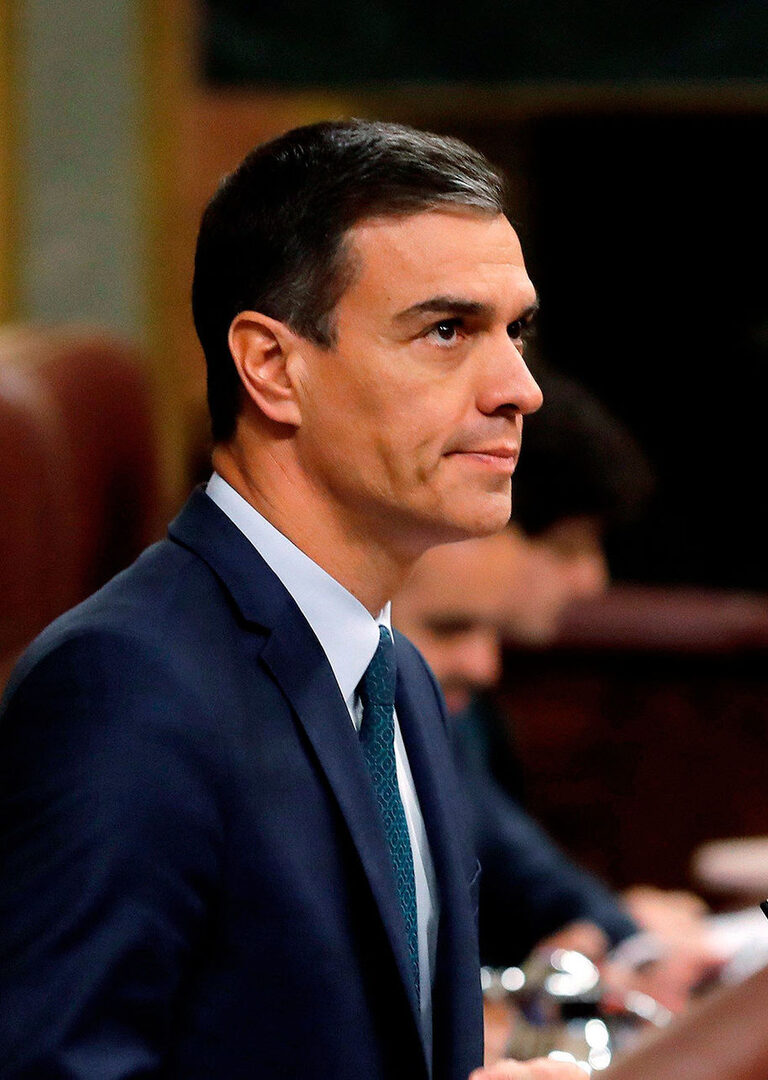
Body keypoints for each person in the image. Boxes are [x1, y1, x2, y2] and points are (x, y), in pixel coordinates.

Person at [0, 120, 582, 1080]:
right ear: (272, 367)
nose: (520, 389)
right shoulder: (125, 686)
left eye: (512, 331)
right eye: (446, 330)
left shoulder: (397, 676)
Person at [391, 371, 720, 1017]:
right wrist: (622, 932)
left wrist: (610, 931)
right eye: (567, 546)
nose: (592, 580)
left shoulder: (454, 694)